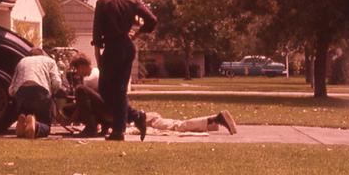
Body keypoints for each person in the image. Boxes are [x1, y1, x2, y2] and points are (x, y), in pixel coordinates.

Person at [64, 55, 237, 137]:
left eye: (77, 69)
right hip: (132, 115)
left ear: (83, 65)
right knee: (175, 125)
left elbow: (92, 106)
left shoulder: (92, 78)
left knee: (177, 126)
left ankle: (216, 118)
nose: (77, 73)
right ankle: (213, 120)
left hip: (134, 118)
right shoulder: (97, 74)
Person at [93, 0, 157, 141]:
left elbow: (97, 33)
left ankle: (121, 128)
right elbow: (152, 20)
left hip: (112, 47)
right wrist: (137, 34)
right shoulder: (132, 1)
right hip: (127, 47)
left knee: (106, 90)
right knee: (119, 89)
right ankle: (134, 117)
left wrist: (98, 56)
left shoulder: (102, 2)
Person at [9, 47, 64, 139]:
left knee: (26, 111)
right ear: (42, 54)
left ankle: (24, 120)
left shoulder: (22, 61)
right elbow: (57, 82)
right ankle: (36, 125)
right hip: (40, 91)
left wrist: (14, 95)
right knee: (45, 124)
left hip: (22, 92)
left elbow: (12, 88)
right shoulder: (49, 61)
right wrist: (53, 92)